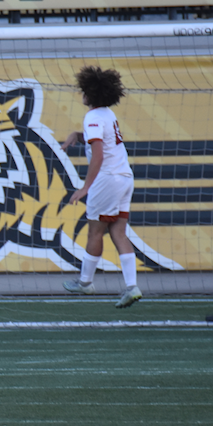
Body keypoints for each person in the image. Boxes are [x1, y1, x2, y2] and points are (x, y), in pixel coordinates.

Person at [60, 66, 142, 308]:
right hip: (125, 177)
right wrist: (78, 134)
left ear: (91, 93)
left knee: (95, 232)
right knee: (118, 232)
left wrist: (86, 187)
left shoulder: (93, 117)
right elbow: (104, 140)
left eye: (84, 90)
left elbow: (98, 155)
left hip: (107, 179)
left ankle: (85, 282)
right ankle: (132, 287)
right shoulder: (106, 115)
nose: (82, 94)